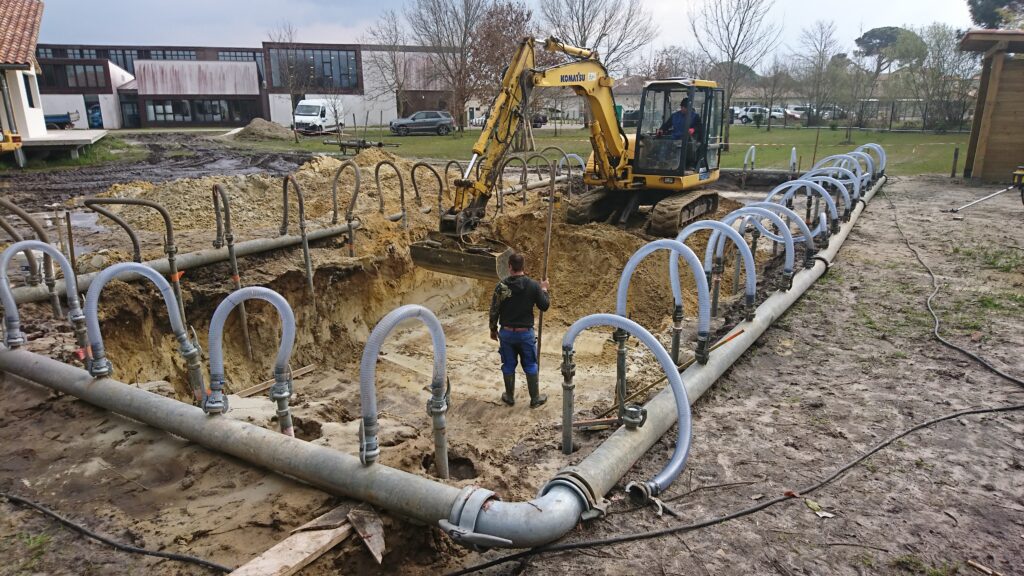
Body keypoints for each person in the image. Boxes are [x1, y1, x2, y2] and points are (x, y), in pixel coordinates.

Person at [489, 252, 550, 407]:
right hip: (525, 334)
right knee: (530, 364)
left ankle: (509, 397)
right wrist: (544, 289)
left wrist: (493, 329)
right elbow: (544, 306)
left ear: (509, 267)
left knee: (508, 364)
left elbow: (494, 310)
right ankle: (535, 399)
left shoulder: (501, 286)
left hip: (507, 334)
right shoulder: (533, 286)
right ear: (524, 267)